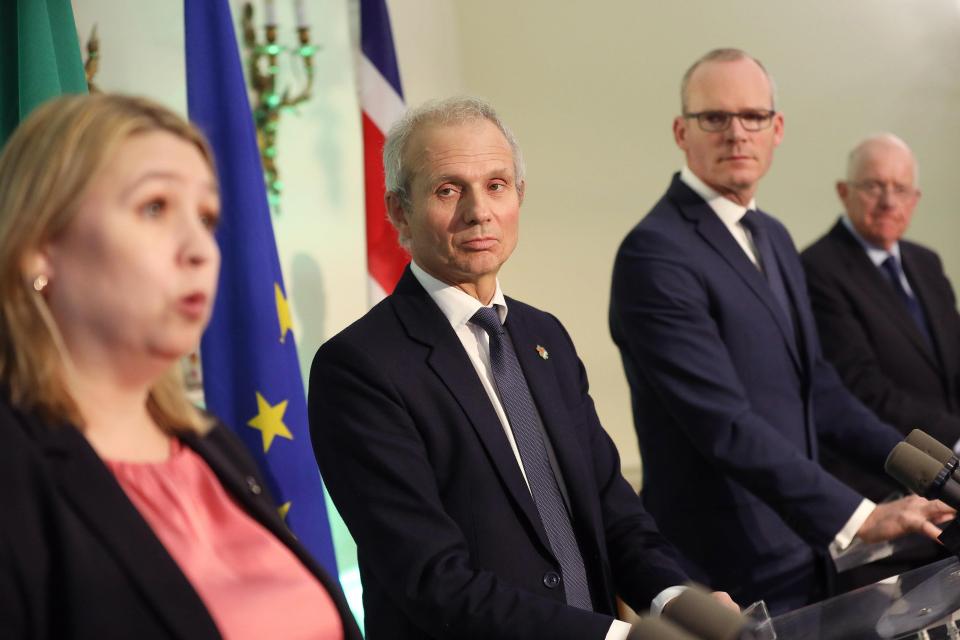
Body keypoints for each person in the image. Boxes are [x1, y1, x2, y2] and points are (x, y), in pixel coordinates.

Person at [309, 96, 731, 640]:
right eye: (447, 189)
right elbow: (432, 578)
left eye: (496, 185)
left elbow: (609, 505)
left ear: (519, 196)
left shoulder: (543, 335)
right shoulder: (360, 367)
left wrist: (676, 601)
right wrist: (620, 638)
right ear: (398, 211)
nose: (477, 210)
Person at [0, 94, 361, 640]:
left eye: (207, 217)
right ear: (39, 247)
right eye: (154, 207)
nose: (201, 249)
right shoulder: (14, 464)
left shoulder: (213, 445)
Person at [608, 49, 952, 614]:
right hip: (723, 565)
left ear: (777, 129)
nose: (736, 133)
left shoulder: (772, 235)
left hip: (802, 547)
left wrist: (935, 472)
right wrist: (863, 516)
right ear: (681, 131)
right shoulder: (656, 252)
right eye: (714, 118)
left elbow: (822, 389)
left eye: (753, 117)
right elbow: (723, 423)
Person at [802, 134, 960, 502]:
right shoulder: (816, 268)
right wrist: (954, 440)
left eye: (901, 189)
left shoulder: (926, 262)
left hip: (947, 478)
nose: (889, 202)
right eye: (874, 186)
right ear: (844, 191)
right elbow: (864, 388)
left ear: (915, 199)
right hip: (886, 481)